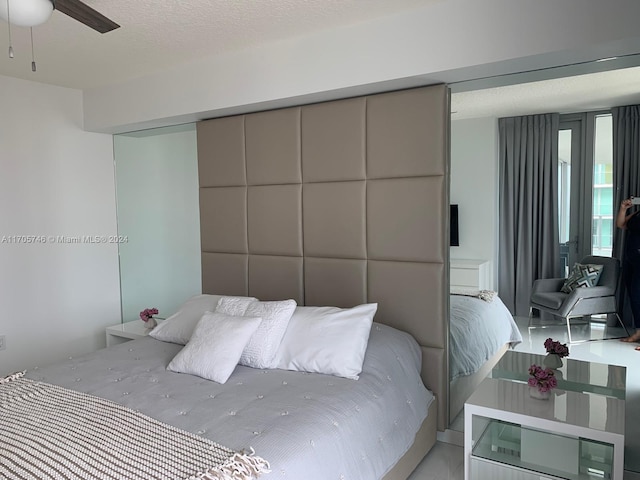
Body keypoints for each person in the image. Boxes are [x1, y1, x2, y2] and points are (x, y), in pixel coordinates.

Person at [616, 197, 640, 350]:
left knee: (638, 295)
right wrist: (624, 208)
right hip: (631, 259)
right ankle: (639, 331)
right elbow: (621, 224)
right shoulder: (638, 213)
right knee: (633, 295)